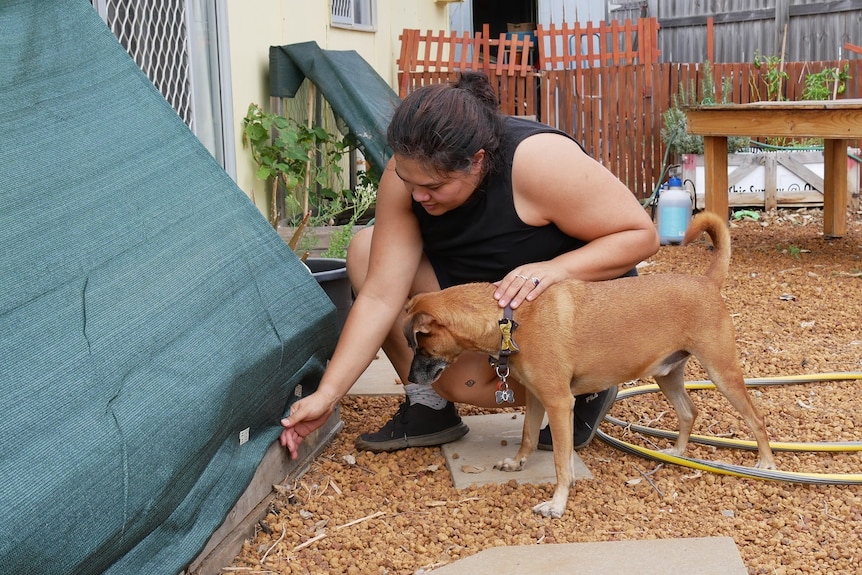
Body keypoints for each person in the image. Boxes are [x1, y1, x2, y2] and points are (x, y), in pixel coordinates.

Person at [279, 71, 659, 459]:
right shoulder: (407, 172)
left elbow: (640, 235)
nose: (418, 195)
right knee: (365, 248)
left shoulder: (539, 163)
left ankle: (588, 382)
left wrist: (557, 268)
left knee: (501, 380)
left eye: (435, 187)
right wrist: (327, 395)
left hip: (560, 311)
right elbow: (379, 297)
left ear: (477, 162)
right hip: (485, 298)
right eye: (410, 182)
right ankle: (429, 405)